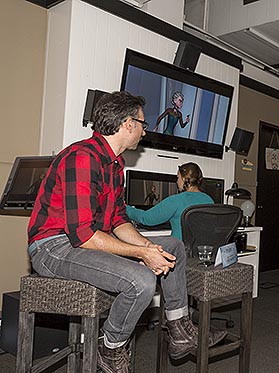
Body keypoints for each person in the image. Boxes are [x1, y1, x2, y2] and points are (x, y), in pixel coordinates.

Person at [27, 91, 225, 373]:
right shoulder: (81, 158)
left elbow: (119, 220)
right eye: (143, 124)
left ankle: (179, 330)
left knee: (173, 247)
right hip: (52, 248)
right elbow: (83, 234)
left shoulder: (115, 166)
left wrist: (149, 247)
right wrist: (141, 254)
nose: (145, 131)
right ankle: (110, 348)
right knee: (142, 281)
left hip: (81, 242)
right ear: (128, 124)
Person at [126, 162, 214, 241]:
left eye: (177, 177)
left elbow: (146, 218)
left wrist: (123, 207)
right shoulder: (209, 200)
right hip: (202, 252)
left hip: (179, 252)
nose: (176, 181)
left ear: (183, 179)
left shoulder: (177, 200)